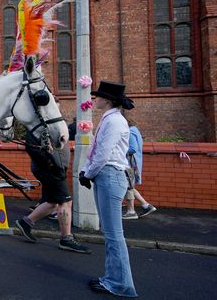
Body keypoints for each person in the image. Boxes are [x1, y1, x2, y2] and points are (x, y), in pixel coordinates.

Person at [79, 81, 138, 297]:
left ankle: (120, 284)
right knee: (110, 233)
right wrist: (87, 171)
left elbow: (103, 154)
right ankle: (112, 278)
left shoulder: (114, 122)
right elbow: (96, 153)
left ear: (108, 100)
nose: (95, 99)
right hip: (106, 175)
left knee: (114, 235)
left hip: (110, 176)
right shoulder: (110, 119)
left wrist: (88, 173)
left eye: (98, 97)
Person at [15, 133, 90, 254]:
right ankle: (66, 239)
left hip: (55, 168)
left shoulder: (50, 123)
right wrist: (51, 163)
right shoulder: (40, 125)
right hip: (52, 169)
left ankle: (26, 223)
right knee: (65, 202)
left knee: (53, 202)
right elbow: (33, 149)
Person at [122, 117, 156, 219]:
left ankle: (131, 211)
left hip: (130, 164)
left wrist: (119, 150)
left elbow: (133, 148)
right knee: (129, 186)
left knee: (128, 186)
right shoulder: (134, 130)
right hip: (132, 163)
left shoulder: (131, 132)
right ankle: (146, 205)